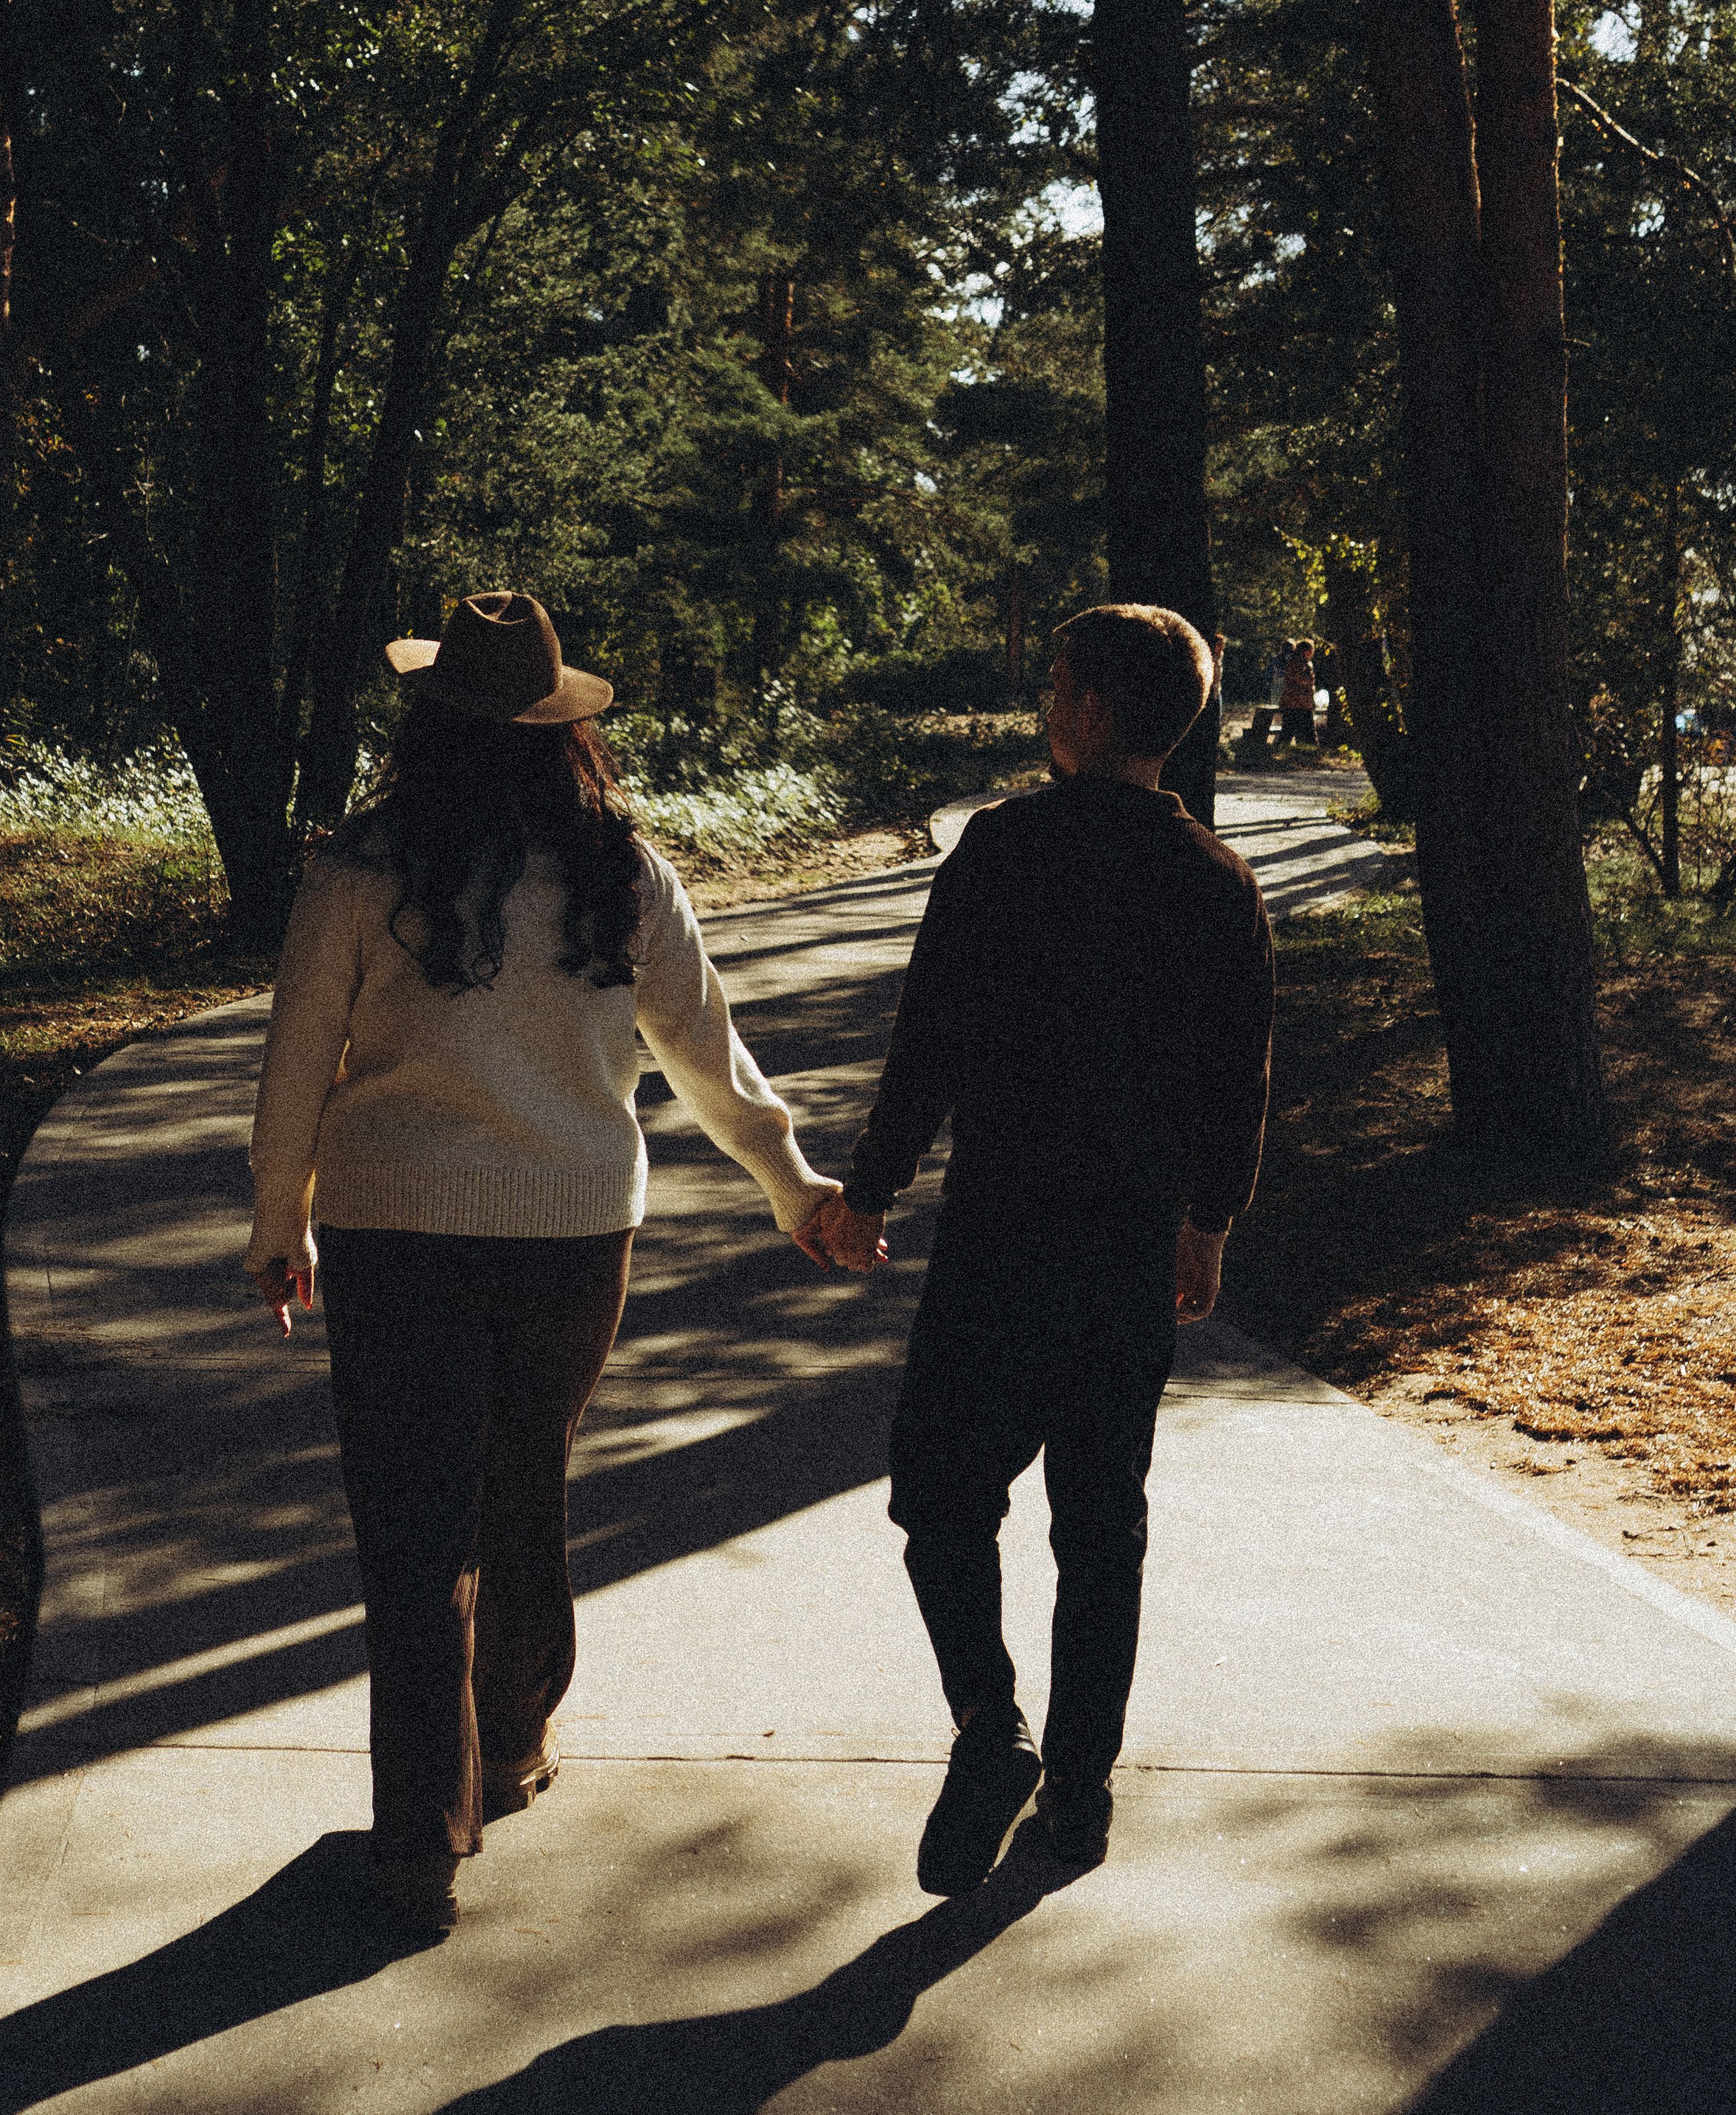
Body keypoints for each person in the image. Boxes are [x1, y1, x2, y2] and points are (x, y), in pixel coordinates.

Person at [245, 592, 840, 1938]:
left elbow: (296, 1060)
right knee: (523, 1483)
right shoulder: (621, 874)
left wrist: (281, 1221)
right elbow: (707, 1056)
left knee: (416, 1533)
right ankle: (513, 1740)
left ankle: (418, 1842)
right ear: (564, 730)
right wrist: (793, 1186)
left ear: (427, 723)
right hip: (574, 1237)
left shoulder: (360, 868)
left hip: (398, 1234)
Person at [815, 604, 1273, 1892]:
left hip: (1002, 1234)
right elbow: (1236, 1081)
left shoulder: (1004, 849)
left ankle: (988, 1723)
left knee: (940, 1491)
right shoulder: (1216, 882)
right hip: (1128, 1246)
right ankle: (1080, 1788)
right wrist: (1208, 1223)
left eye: (1056, 682)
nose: (1045, 703)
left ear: (1088, 709)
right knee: (1101, 1521)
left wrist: (870, 1189)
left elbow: (932, 1036)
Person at [1280, 638, 1318, 749]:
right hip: (1295, 704)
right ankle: (1279, 752)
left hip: (1302, 704)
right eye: (1311, 651)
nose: (1312, 654)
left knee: (1305, 734)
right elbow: (1301, 680)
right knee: (1290, 732)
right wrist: (1309, 678)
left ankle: (1307, 752)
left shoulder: (1303, 662)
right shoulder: (1296, 662)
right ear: (1306, 651)